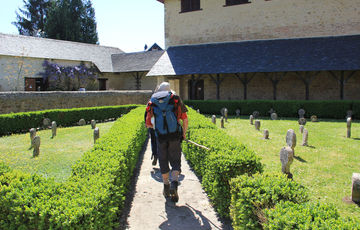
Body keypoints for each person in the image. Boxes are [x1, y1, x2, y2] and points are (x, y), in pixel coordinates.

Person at [145, 82, 188, 202]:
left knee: (163, 160)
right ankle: (174, 183)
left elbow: (148, 123)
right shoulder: (175, 99)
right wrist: (183, 134)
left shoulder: (152, 101)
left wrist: (158, 128)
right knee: (175, 160)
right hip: (174, 135)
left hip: (161, 137)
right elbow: (184, 119)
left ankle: (166, 186)